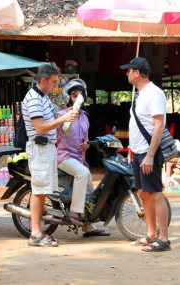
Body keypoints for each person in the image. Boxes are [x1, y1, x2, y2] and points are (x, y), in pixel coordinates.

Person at [22, 64, 78, 247]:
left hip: (47, 149)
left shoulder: (44, 97)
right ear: (43, 80)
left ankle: (38, 231)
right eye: (54, 82)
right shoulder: (33, 99)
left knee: (43, 190)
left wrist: (65, 116)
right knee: (38, 191)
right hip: (40, 148)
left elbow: (50, 121)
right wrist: (62, 119)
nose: (56, 85)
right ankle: (35, 233)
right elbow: (39, 128)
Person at [120, 57, 171, 252]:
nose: (127, 74)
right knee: (143, 192)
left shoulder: (154, 94)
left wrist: (150, 155)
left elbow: (159, 125)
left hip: (149, 152)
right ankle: (151, 234)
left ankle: (163, 238)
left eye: (129, 70)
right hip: (139, 152)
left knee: (156, 193)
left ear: (137, 73)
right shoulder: (140, 94)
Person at [56, 78, 110, 237]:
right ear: (68, 97)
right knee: (83, 173)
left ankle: (88, 227)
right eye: (74, 95)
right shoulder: (61, 115)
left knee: (89, 187)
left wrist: (86, 144)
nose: (77, 97)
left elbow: (84, 139)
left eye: (80, 95)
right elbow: (64, 133)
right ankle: (74, 211)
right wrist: (69, 117)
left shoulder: (85, 117)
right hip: (64, 156)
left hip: (79, 158)